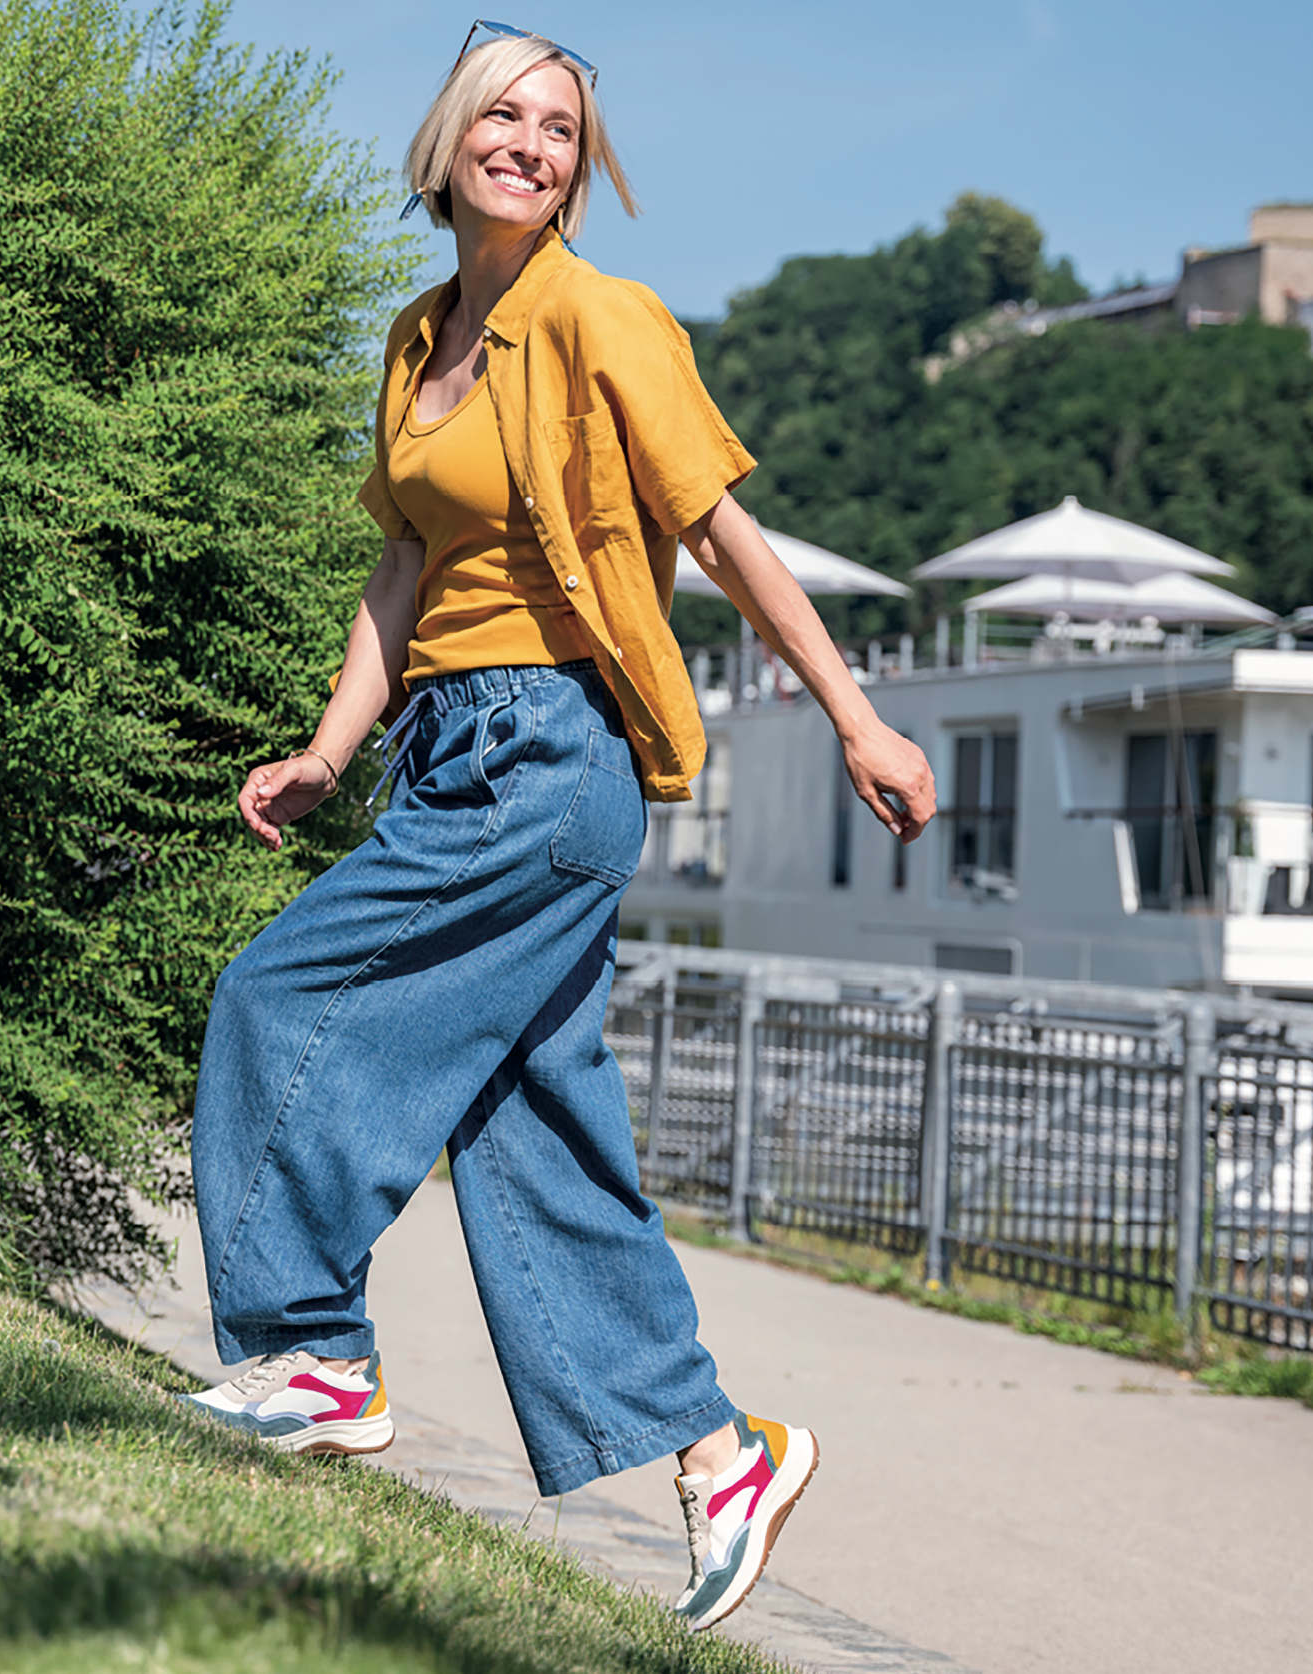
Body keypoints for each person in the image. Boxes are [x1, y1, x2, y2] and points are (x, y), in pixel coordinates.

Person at [183, 23, 936, 1634]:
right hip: (447, 746)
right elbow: (405, 567)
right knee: (532, 1126)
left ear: (579, 171)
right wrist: (327, 751)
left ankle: (310, 1350)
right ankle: (720, 1451)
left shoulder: (600, 316)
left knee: (276, 991)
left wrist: (856, 717)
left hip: (548, 755)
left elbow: (719, 535)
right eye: (506, 115)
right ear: (450, 137)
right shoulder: (418, 337)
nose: (531, 143)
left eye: (562, 129)